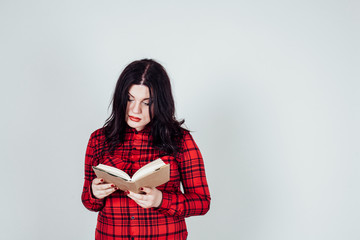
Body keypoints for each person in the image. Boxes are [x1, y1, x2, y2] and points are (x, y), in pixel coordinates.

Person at [81, 59, 211, 239]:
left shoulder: (181, 140)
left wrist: (160, 200)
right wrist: (94, 193)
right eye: (129, 99)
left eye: (146, 103)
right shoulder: (98, 139)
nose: (135, 110)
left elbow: (202, 202)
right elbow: (89, 203)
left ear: (160, 103)